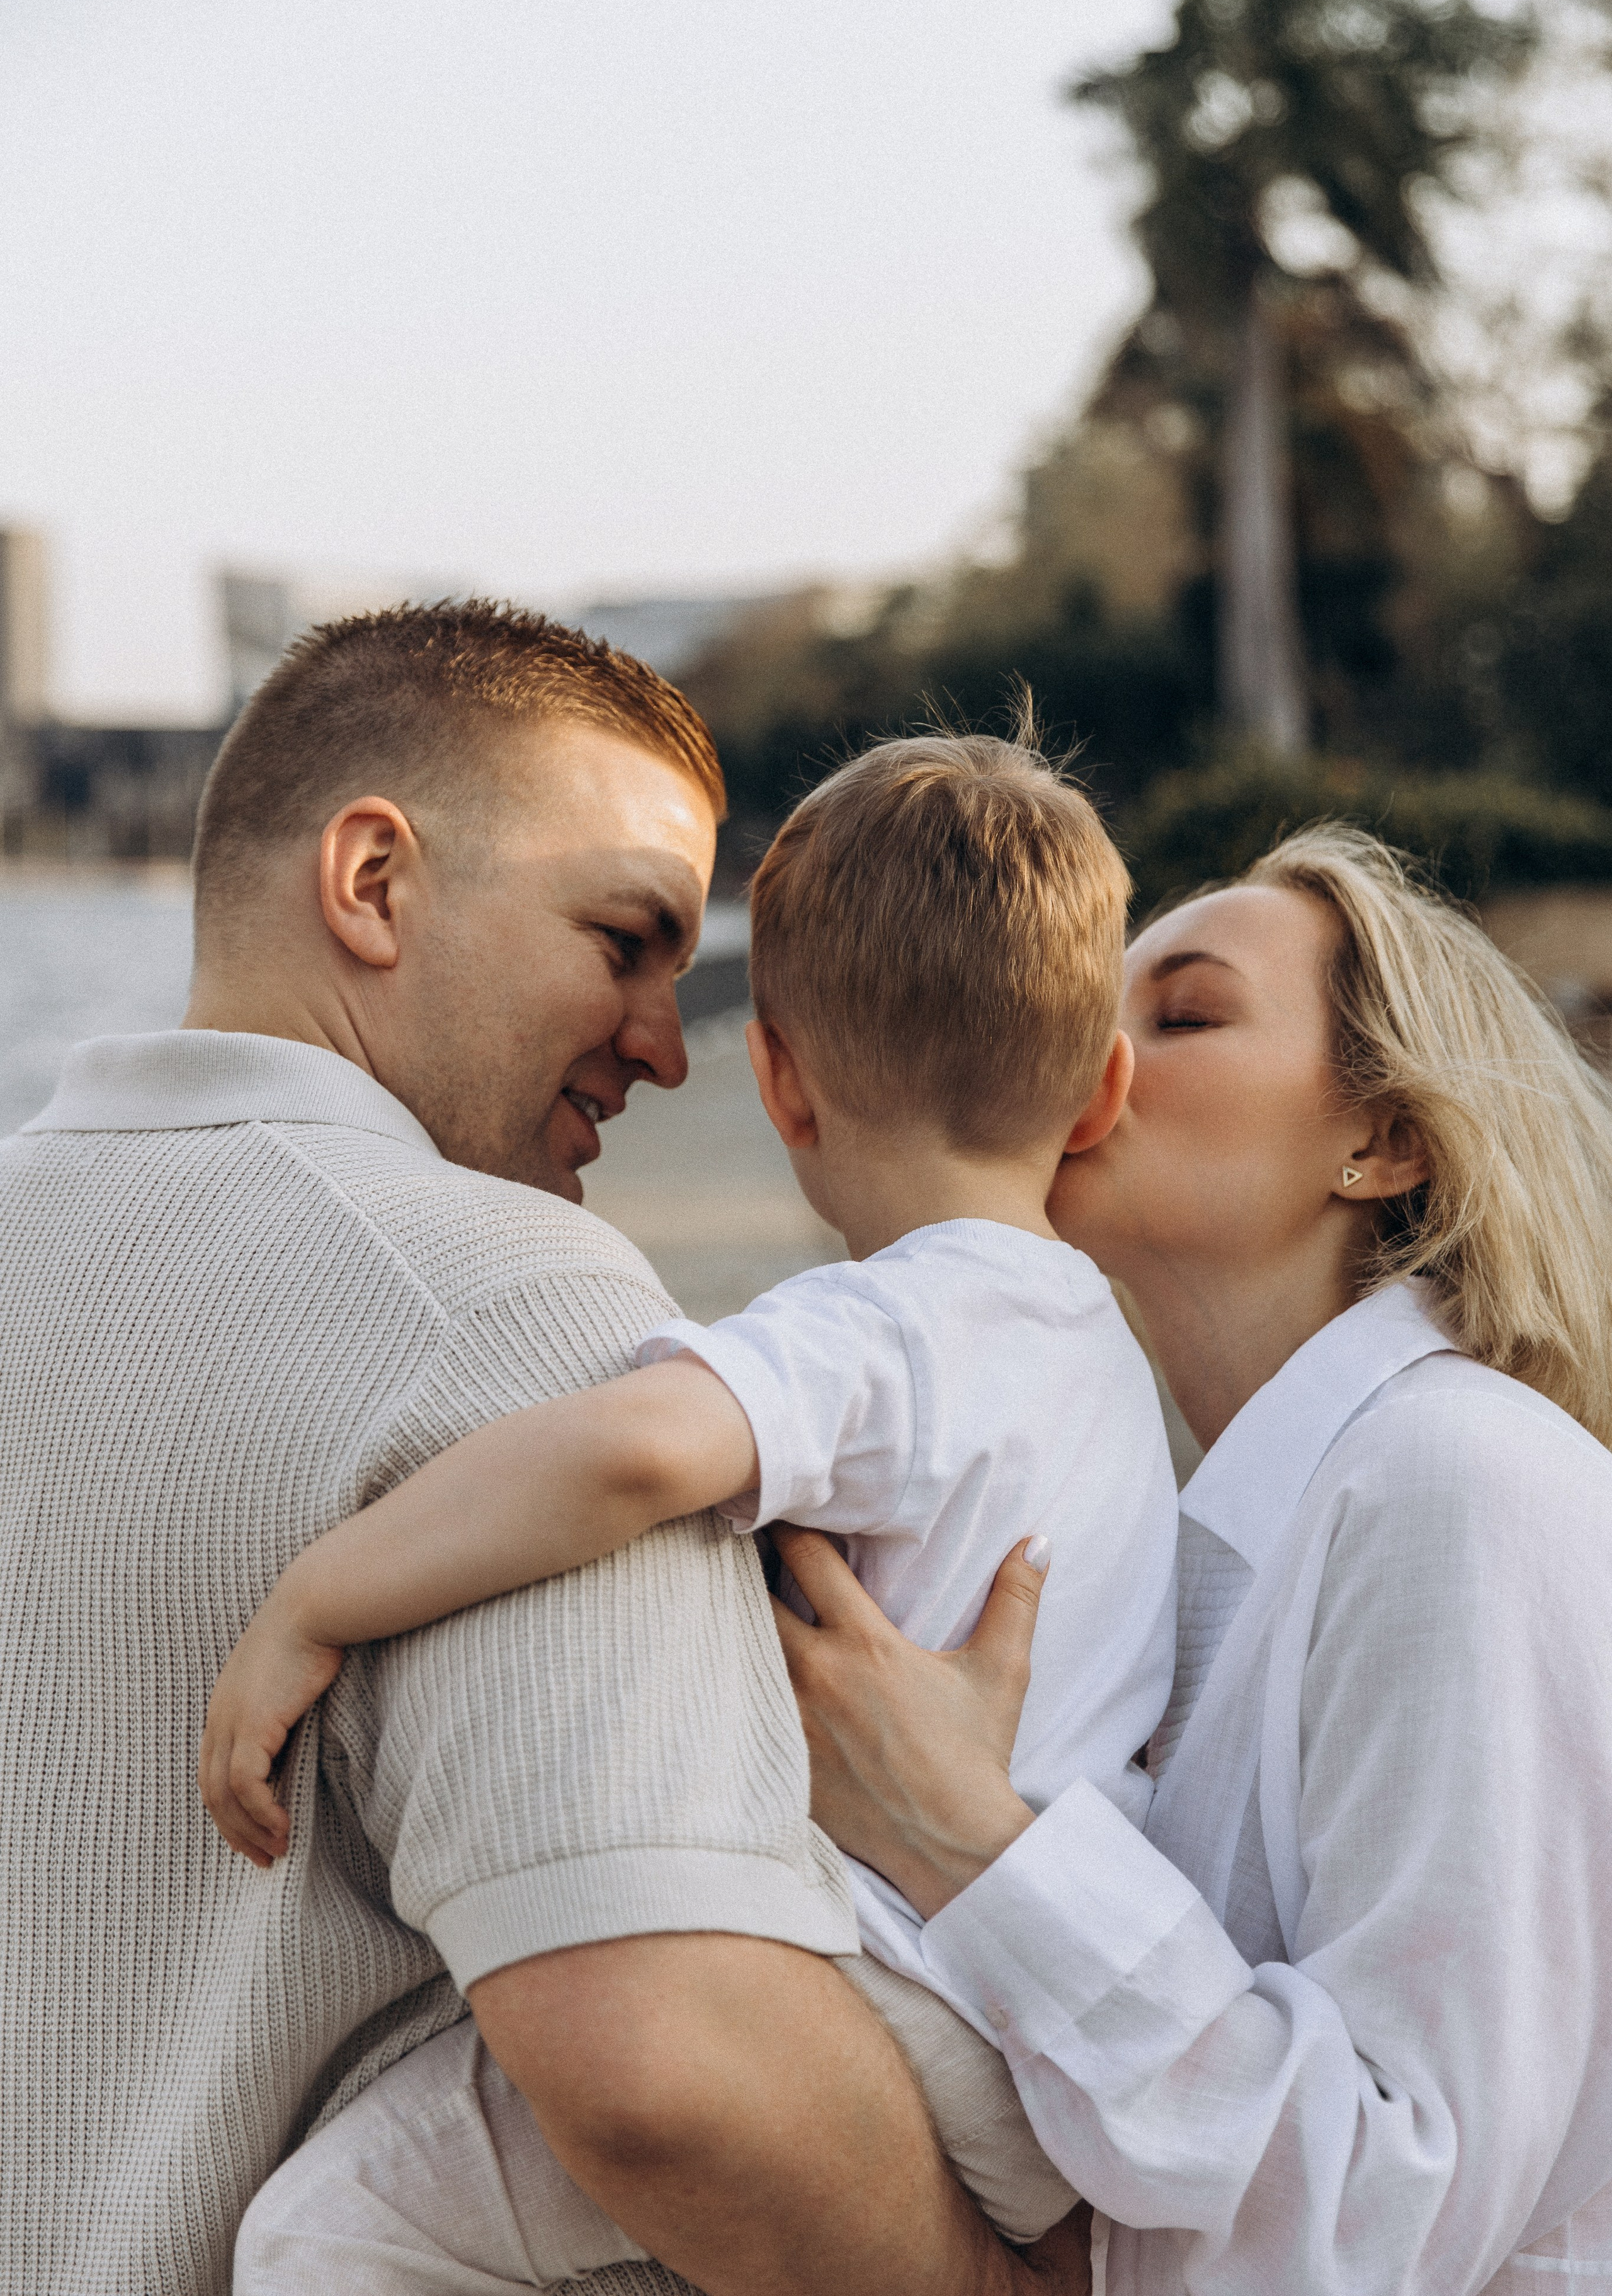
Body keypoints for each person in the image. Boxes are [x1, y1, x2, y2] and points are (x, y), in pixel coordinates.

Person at [0, 604, 1073, 2296]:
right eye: (625, 940)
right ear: (372, 884)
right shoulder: (510, 1305)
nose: (666, 1038)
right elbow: (667, 2070)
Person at [202, 733, 1179, 2281]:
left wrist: (320, 1597)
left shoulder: (892, 1327)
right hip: (1049, 2021)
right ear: (1101, 1085)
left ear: (777, 1078)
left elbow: (632, 1455)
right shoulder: (1107, 1356)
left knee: (336, 2229)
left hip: (890, 1988)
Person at [772, 823, 1612, 2293]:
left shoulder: (1459, 1479)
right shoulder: (1196, 1546)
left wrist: (965, 1835)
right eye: (1088, 1006)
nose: (1090, 1055)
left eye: (1183, 1015)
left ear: (1382, 1139)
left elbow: (1387, 2218)